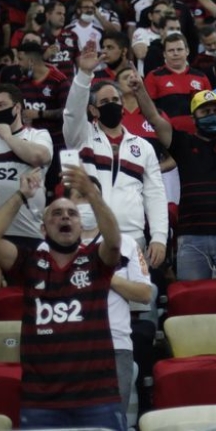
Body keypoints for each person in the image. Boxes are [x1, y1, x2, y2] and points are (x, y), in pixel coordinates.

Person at [0, 164, 127, 430]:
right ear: (42, 228)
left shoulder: (96, 261)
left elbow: (115, 242)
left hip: (96, 398)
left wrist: (91, 194)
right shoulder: (29, 262)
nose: (65, 218)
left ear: (81, 225)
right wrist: (21, 195)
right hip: (41, 402)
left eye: (72, 213)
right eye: (56, 214)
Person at [131, 41, 216, 282]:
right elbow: (155, 118)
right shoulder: (182, 143)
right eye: (205, 111)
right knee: (191, 297)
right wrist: (139, 91)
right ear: (194, 116)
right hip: (191, 236)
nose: (212, 115)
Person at [64, 44, 168, 269]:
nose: (111, 106)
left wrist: (159, 237)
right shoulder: (81, 138)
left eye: (115, 101)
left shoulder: (143, 146)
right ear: (93, 111)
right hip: (87, 234)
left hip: (132, 237)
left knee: (137, 302)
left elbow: (155, 193)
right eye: (104, 103)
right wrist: (84, 74)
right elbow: (72, 114)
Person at [69, 183, 154, 416]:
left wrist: (106, 275)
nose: (85, 202)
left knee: (112, 420)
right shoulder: (59, 247)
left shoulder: (126, 244)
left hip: (115, 345)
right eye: (79, 197)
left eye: (90, 197)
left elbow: (145, 294)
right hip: (70, 347)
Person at [0, 86, 54, 284]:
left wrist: (8, 136)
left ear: (17, 108)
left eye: (2, 105)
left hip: (29, 233)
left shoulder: (38, 135)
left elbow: (38, 157)